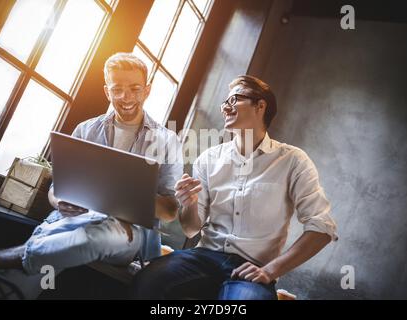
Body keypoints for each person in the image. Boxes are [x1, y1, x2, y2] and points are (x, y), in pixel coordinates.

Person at [0, 52, 183, 299]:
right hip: (71, 221)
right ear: (107, 91)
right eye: (117, 89)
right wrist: (58, 200)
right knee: (20, 286)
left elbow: (170, 210)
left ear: (147, 90)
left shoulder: (167, 140)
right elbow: (56, 188)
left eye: (135, 89)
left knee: (92, 238)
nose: (125, 97)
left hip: (127, 232)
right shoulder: (86, 129)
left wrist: (122, 195)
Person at [131, 75, 338, 300]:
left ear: (260, 105)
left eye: (234, 100)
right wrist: (188, 204)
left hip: (252, 268)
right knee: (147, 281)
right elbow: (191, 229)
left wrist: (270, 271)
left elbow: (322, 228)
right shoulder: (208, 159)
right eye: (224, 103)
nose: (226, 108)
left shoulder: (293, 160)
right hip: (202, 257)